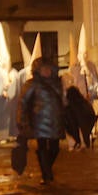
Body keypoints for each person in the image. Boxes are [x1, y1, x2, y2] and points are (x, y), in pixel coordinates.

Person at [17, 56, 65, 185]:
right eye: (44, 69)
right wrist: (22, 120)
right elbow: (23, 102)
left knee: (55, 148)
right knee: (42, 147)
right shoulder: (32, 84)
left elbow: (62, 101)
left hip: (55, 122)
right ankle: (46, 174)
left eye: (49, 69)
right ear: (38, 70)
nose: (47, 71)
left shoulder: (57, 83)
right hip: (39, 122)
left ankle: (46, 169)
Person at [0, 24, 19, 142]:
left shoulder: (13, 72)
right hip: (0, 101)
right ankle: (4, 136)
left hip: (10, 102)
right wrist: (2, 92)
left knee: (10, 118)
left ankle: (11, 134)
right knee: (1, 118)